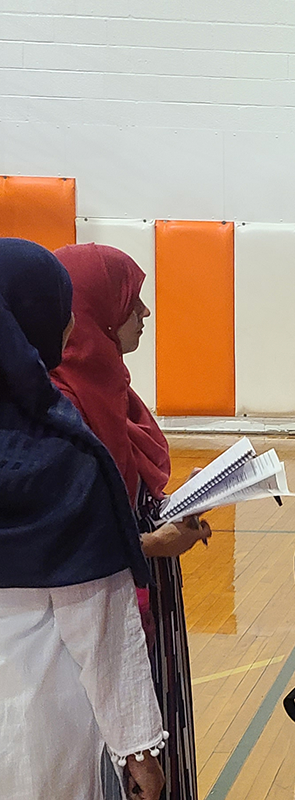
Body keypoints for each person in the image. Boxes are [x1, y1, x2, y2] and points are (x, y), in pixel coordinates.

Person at [0, 238, 167, 799]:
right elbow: (99, 623)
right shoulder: (63, 457)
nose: (70, 323)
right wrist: (140, 748)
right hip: (49, 722)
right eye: (60, 306)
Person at [50, 243, 211, 800]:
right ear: (96, 310)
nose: (144, 315)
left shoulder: (115, 388)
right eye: (133, 303)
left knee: (161, 742)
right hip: (103, 617)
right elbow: (67, 543)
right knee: (120, 761)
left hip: (148, 601)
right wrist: (152, 543)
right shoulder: (61, 407)